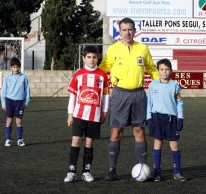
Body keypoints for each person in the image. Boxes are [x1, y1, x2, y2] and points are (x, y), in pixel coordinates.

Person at [99, 17, 159, 181]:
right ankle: (112, 170)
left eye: (130, 29)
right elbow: (103, 69)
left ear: (134, 30)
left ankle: (143, 167)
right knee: (116, 131)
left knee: (139, 131)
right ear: (120, 31)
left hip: (139, 94)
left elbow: (152, 69)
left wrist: (161, 84)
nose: (127, 32)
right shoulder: (113, 49)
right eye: (124, 29)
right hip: (119, 94)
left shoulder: (143, 49)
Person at [64, 46, 109, 183]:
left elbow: (106, 96)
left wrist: (105, 112)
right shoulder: (78, 74)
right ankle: (71, 171)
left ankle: (86, 171)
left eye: (94, 57)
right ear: (83, 58)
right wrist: (70, 114)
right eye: (89, 57)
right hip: (78, 115)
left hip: (95, 116)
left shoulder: (102, 75)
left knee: (89, 143)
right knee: (76, 141)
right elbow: (73, 96)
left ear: (98, 58)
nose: (92, 59)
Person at [146, 58, 186, 182]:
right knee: (157, 143)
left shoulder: (175, 85)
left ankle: (177, 172)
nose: (164, 72)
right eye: (162, 69)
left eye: (167, 69)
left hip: (171, 119)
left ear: (171, 71)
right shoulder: (153, 85)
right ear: (158, 71)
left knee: (174, 144)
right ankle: (157, 172)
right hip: (157, 117)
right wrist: (149, 118)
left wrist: (180, 117)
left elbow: (179, 102)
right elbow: (149, 102)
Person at [1, 57, 30, 147]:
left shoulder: (23, 77)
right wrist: (3, 103)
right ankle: (8, 139)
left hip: (20, 102)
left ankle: (20, 139)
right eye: (14, 67)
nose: (15, 69)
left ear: (19, 67)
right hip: (9, 101)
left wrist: (26, 102)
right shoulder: (7, 77)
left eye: (17, 67)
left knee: (19, 121)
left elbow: (27, 91)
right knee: (9, 121)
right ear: (11, 67)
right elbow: (3, 90)